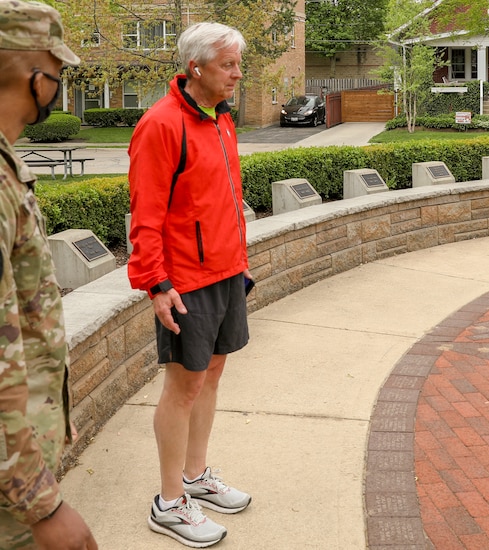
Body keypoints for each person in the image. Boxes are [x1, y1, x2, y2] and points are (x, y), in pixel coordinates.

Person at [127, 21, 252, 548]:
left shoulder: (221, 119)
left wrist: (240, 262)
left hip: (225, 272)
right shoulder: (161, 124)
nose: (237, 75)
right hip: (184, 282)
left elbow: (221, 200)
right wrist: (156, 284)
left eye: (238, 65)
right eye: (228, 65)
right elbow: (145, 215)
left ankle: (196, 478)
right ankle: (169, 501)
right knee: (183, 386)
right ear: (196, 66)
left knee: (212, 375)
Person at [0, 1, 98, 549]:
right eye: (55, 67)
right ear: (27, 72)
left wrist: (54, 417)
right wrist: (43, 506)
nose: (59, 80)